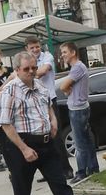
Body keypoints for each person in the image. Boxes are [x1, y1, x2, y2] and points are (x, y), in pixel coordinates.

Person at [0, 50, 99, 195]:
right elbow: (5, 124)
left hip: (45, 142)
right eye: (26, 69)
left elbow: (48, 107)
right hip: (21, 144)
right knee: (23, 191)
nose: (31, 71)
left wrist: (53, 121)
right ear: (17, 70)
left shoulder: (40, 86)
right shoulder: (9, 91)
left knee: (60, 184)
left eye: (34, 67)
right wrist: (24, 149)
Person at [26, 37, 73, 174]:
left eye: (37, 46)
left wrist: (27, 73)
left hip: (49, 100)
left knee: (55, 134)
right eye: (32, 48)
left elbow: (42, 71)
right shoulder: (28, 61)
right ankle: (48, 171)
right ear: (27, 49)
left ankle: (66, 169)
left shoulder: (47, 56)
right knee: (40, 136)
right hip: (34, 102)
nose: (35, 50)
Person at [58, 41, 100, 181]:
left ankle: (81, 171)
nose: (62, 55)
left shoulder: (77, 68)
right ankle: (93, 168)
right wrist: (67, 89)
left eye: (64, 52)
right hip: (80, 107)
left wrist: (66, 89)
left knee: (80, 142)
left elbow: (63, 86)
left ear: (73, 52)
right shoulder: (77, 68)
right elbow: (66, 87)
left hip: (77, 109)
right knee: (87, 140)